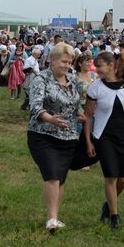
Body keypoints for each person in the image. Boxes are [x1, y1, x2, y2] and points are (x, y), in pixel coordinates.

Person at [84, 51, 124, 230]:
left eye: (100, 66)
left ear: (111, 66)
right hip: (104, 137)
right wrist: (89, 142)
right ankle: (114, 216)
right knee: (111, 176)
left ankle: (108, 204)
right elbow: (88, 116)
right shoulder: (95, 87)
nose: (97, 70)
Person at [27, 43, 81, 233]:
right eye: (64, 62)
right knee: (52, 175)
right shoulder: (41, 79)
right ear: (52, 60)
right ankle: (52, 219)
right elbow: (34, 106)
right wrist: (50, 119)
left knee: (60, 178)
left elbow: (75, 103)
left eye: (70, 62)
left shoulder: (72, 79)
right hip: (43, 135)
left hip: (68, 137)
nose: (67, 65)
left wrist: (80, 113)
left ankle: (55, 216)